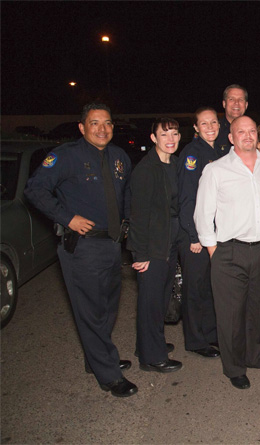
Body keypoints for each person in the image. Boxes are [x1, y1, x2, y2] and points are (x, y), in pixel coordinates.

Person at [24, 103, 136, 397]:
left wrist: (127, 225)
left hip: (112, 244)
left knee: (108, 307)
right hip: (83, 246)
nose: (102, 129)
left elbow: (126, 194)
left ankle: (97, 359)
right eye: (95, 123)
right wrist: (67, 218)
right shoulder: (66, 156)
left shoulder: (119, 156)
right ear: (82, 127)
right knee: (91, 311)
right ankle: (109, 375)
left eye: (107, 123)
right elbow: (35, 189)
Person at [194, 116, 260, 389]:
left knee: (259, 310)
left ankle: (258, 356)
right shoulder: (215, 170)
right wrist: (214, 252)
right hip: (228, 251)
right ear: (231, 137)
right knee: (230, 315)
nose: (248, 135)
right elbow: (203, 214)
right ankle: (235, 367)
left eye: (252, 131)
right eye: (241, 131)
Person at [128, 118, 183, 374]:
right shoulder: (146, 169)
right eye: (164, 134)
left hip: (168, 242)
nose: (170, 139)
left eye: (174, 134)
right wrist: (141, 254)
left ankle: (148, 345)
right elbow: (138, 215)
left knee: (159, 299)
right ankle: (152, 358)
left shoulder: (174, 164)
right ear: (153, 138)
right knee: (151, 302)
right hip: (152, 245)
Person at [176, 107, 221, 359]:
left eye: (213, 122)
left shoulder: (221, 150)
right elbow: (186, 198)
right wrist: (194, 236)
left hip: (213, 233)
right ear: (195, 128)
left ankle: (211, 333)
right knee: (194, 288)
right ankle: (195, 340)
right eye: (204, 124)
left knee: (210, 286)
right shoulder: (192, 154)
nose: (210, 127)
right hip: (194, 233)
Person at [213, 84, 249, 157]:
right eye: (231, 99)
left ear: (246, 105)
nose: (236, 103)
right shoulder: (213, 130)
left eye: (241, 99)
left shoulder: (255, 132)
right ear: (224, 104)